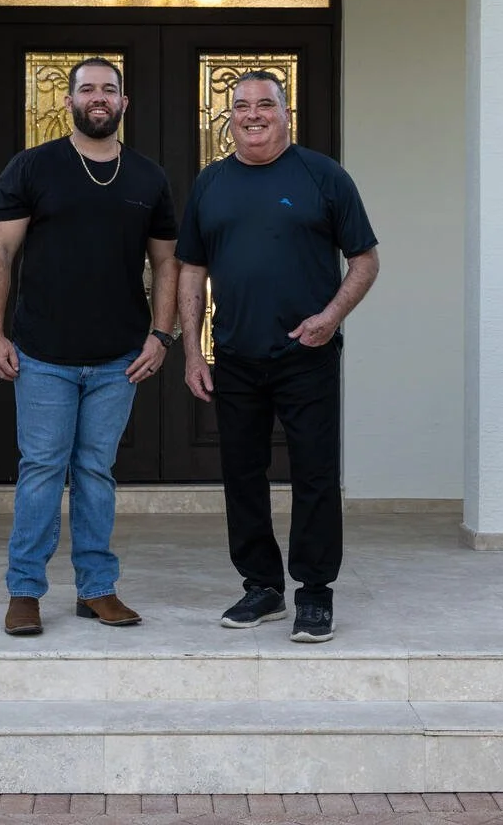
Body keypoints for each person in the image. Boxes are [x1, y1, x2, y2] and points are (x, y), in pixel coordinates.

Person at [175, 71, 378, 644]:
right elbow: (192, 269)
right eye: (241, 106)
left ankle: (315, 593)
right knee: (242, 476)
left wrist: (330, 317)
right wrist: (193, 350)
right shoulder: (211, 184)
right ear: (229, 116)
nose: (253, 114)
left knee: (315, 474)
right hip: (235, 356)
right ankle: (261, 587)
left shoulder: (323, 176)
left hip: (306, 354)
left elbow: (364, 260)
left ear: (286, 113)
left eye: (266, 104)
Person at [0, 57, 178, 636]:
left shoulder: (147, 177)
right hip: (43, 354)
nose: (98, 97)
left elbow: (167, 262)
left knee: (96, 472)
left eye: (109, 90)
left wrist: (161, 336)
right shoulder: (32, 168)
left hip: (119, 358)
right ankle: (24, 590)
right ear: (68, 102)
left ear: (123, 103)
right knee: (42, 469)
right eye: (87, 89)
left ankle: (96, 589)